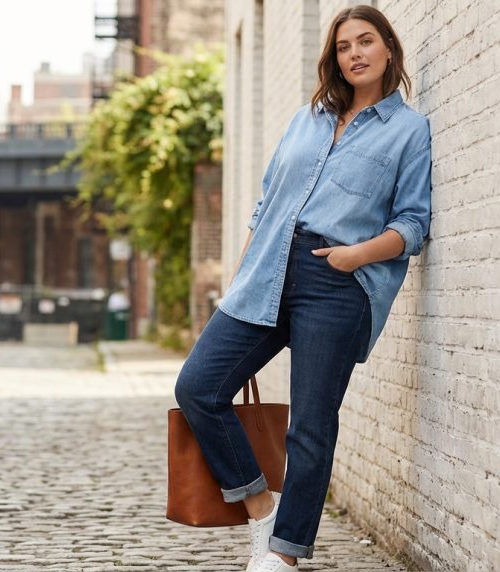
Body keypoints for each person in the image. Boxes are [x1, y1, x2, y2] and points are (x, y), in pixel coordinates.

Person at [173, 6, 432, 572]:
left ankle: (285, 556)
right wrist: (241, 274)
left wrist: (354, 255)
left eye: (366, 41)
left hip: (337, 283)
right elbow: (266, 203)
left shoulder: (409, 131)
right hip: (267, 269)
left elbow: (413, 224)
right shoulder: (307, 118)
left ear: (389, 48)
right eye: (343, 46)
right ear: (333, 58)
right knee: (198, 387)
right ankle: (262, 512)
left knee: (311, 426)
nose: (355, 54)